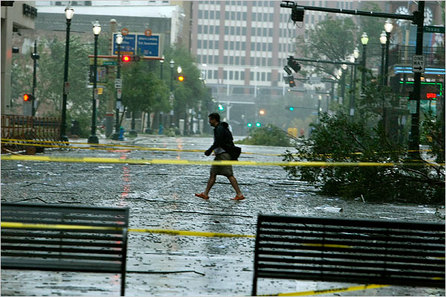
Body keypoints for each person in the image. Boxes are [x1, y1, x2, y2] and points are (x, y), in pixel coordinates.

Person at [195, 113, 245, 201]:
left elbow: (218, 142)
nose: (209, 122)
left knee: (229, 175)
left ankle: (239, 194)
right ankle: (205, 194)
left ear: (214, 120)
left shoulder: (220, 129)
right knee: (213, 174)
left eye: (210, 119)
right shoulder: (220, 128)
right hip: (220, 155)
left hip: (223, 156)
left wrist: (209, 150)